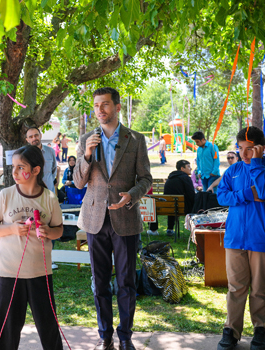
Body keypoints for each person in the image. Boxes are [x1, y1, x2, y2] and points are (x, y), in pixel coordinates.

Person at [73, 87, 152, 350]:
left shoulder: (136, 139)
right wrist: (86, 155)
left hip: (126, 218)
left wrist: (131, 195)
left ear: (117, 107)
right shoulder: (86, 139)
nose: (100, 110)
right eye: (96, 106)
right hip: (95, 220)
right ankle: (105, 335)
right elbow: (77, 181)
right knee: (100, 281)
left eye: (105, 105)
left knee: (126, 282)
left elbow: (146, 179)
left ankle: (126, 337)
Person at [0, 145, 64, 350]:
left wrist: (48, 231)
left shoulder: (49, 198)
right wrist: (11, 228)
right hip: (9, 273)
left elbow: (59, 230)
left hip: (40, 273)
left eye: (22, 167)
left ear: (36, 170)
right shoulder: (6, 195)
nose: (15, 172)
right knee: (6, 331)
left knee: (49, 329)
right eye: (14, 167)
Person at [216, 126, 265, 350]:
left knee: (260, 287)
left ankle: (261, 329)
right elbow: (221, 196)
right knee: (235, 287)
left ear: (261, 148)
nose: (244, 154)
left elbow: (264, 192)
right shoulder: (232, 171)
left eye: (250, 149)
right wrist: (245, 194)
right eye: (240, 148)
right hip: (234, 238)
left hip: (260, 238)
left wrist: (258, 165)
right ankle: (231, 330)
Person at [148, 160, 196, 236]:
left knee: (173, 204)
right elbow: (191, 194)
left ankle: (168, 229)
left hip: (166, 207)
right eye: (188, 167)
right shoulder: (186, 178)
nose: (191, 168)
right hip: (181, 208)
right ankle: (170, 229)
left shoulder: (171, 177)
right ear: (182, 168)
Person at [26, 127, 58, 193]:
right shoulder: (25, 154)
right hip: (32, 192)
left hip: (49, 191)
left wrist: (48, 180)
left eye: (36, 135)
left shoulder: (50, 151)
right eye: (31, 137)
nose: (34, 138)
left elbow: (54, 169)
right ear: (27, 140)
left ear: (40, 135)